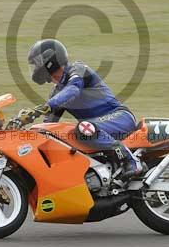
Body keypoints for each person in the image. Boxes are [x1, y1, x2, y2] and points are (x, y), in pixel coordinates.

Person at [25, 38, 144, 178]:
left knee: (82, 129)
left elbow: (73, 89)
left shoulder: (79, 70)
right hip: (94, 128)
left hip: (119, 117)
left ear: (50, 59)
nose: (35, 69)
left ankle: (131, 161)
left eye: (37, 63)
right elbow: (48, 126)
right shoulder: (56, 93)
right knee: (62, 136)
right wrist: (28, 134)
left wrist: (46, 106)